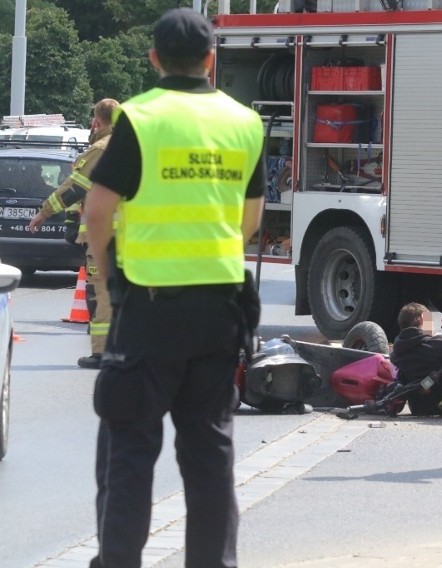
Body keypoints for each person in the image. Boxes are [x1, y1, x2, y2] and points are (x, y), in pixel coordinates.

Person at [83, 8, 265, 567]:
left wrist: (109, 274)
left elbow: (97, 210)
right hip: (219, 308)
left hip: (150, 309)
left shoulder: (140, 118)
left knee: (130, 449)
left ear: (154, 58)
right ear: (211, 59)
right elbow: (251, 219)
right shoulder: (244, 122)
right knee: (210, 452)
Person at [28, 98, 119, 369]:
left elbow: (75, 187)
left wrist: (45, 212)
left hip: (106, 234)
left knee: (101, 291)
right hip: (137, 233)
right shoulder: (135, 146)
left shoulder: (101, 149)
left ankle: (102, 353)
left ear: (97, 121)